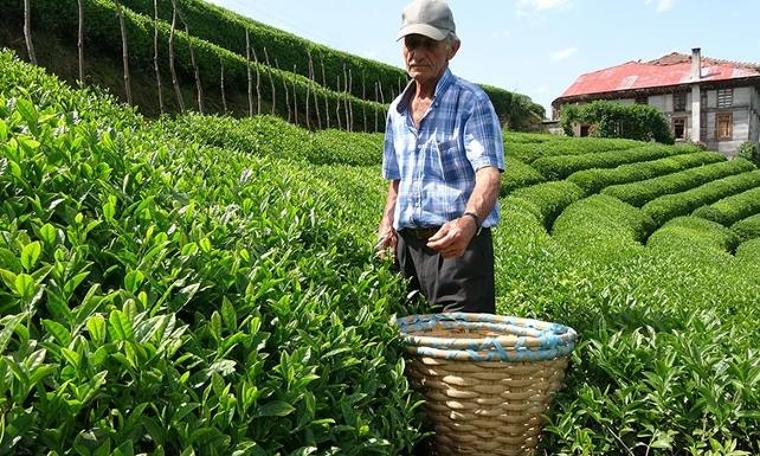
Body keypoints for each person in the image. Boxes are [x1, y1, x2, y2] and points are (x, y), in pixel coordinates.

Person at [377, 0, 505, 314]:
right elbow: (397, 180)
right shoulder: (397, 110)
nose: (418, 52)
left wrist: (469, 222)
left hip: (458, 249)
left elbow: (489, 173)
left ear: (453, 48)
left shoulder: (471, 101)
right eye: (411, 42)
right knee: (411, 350)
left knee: (460, 349)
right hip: (407, 249)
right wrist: (386, 228)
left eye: (429, 43)